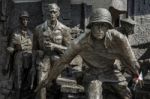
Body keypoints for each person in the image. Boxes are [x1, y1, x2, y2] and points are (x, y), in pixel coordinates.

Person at [36, 8, 143, 99]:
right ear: (91, 26)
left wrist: (137, 76)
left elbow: (131, 60)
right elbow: (62, 62)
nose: (100, 29)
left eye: (103, 25)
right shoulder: (79, 42)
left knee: (127, 94)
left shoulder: (119, 39)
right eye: (97, 25)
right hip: (93, 73)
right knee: (94, 95)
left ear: (108, 27)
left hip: (111, 71)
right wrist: (49, 79)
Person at [34, 3, 72, 99]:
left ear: (58, 13)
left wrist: (55, 46)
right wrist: (38, 52)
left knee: (58, 84)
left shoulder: (64, 29)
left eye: (54, 12)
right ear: (47, 13)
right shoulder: (38, 29)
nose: (52, 14)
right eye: (50, 12)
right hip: (44, 59)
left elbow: (70, 50)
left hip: (58, 60)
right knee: (41, 82)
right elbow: (34, 49)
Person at [7, 11, 34, 99]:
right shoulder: (15, 33)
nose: (25, 21)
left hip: (29, 58)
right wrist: (15, 49)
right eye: (23, 19)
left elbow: (34, 48)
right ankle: (17, 94)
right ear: (20, 20)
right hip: (19, 58)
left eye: (26, 19)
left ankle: (27, 93)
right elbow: (10, 48)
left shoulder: (31, 33)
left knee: (30, 74)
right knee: (18, 72)